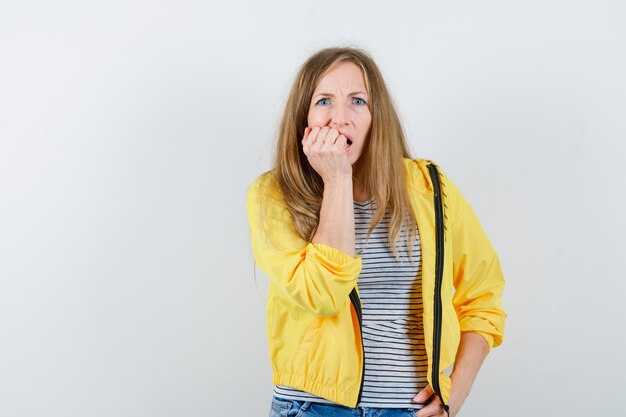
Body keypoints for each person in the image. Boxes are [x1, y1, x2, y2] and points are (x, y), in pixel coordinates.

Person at [246, 47, 506, 417]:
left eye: (357, 101)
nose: (340, 118)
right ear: (303, 118)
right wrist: (337, 180)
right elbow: (321, 293)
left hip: (411, 409)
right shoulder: (273, 195)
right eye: (324, 101)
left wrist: (456, 389)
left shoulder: (429, 187)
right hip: (312, 408)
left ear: (376, 115)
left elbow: (482, 296)